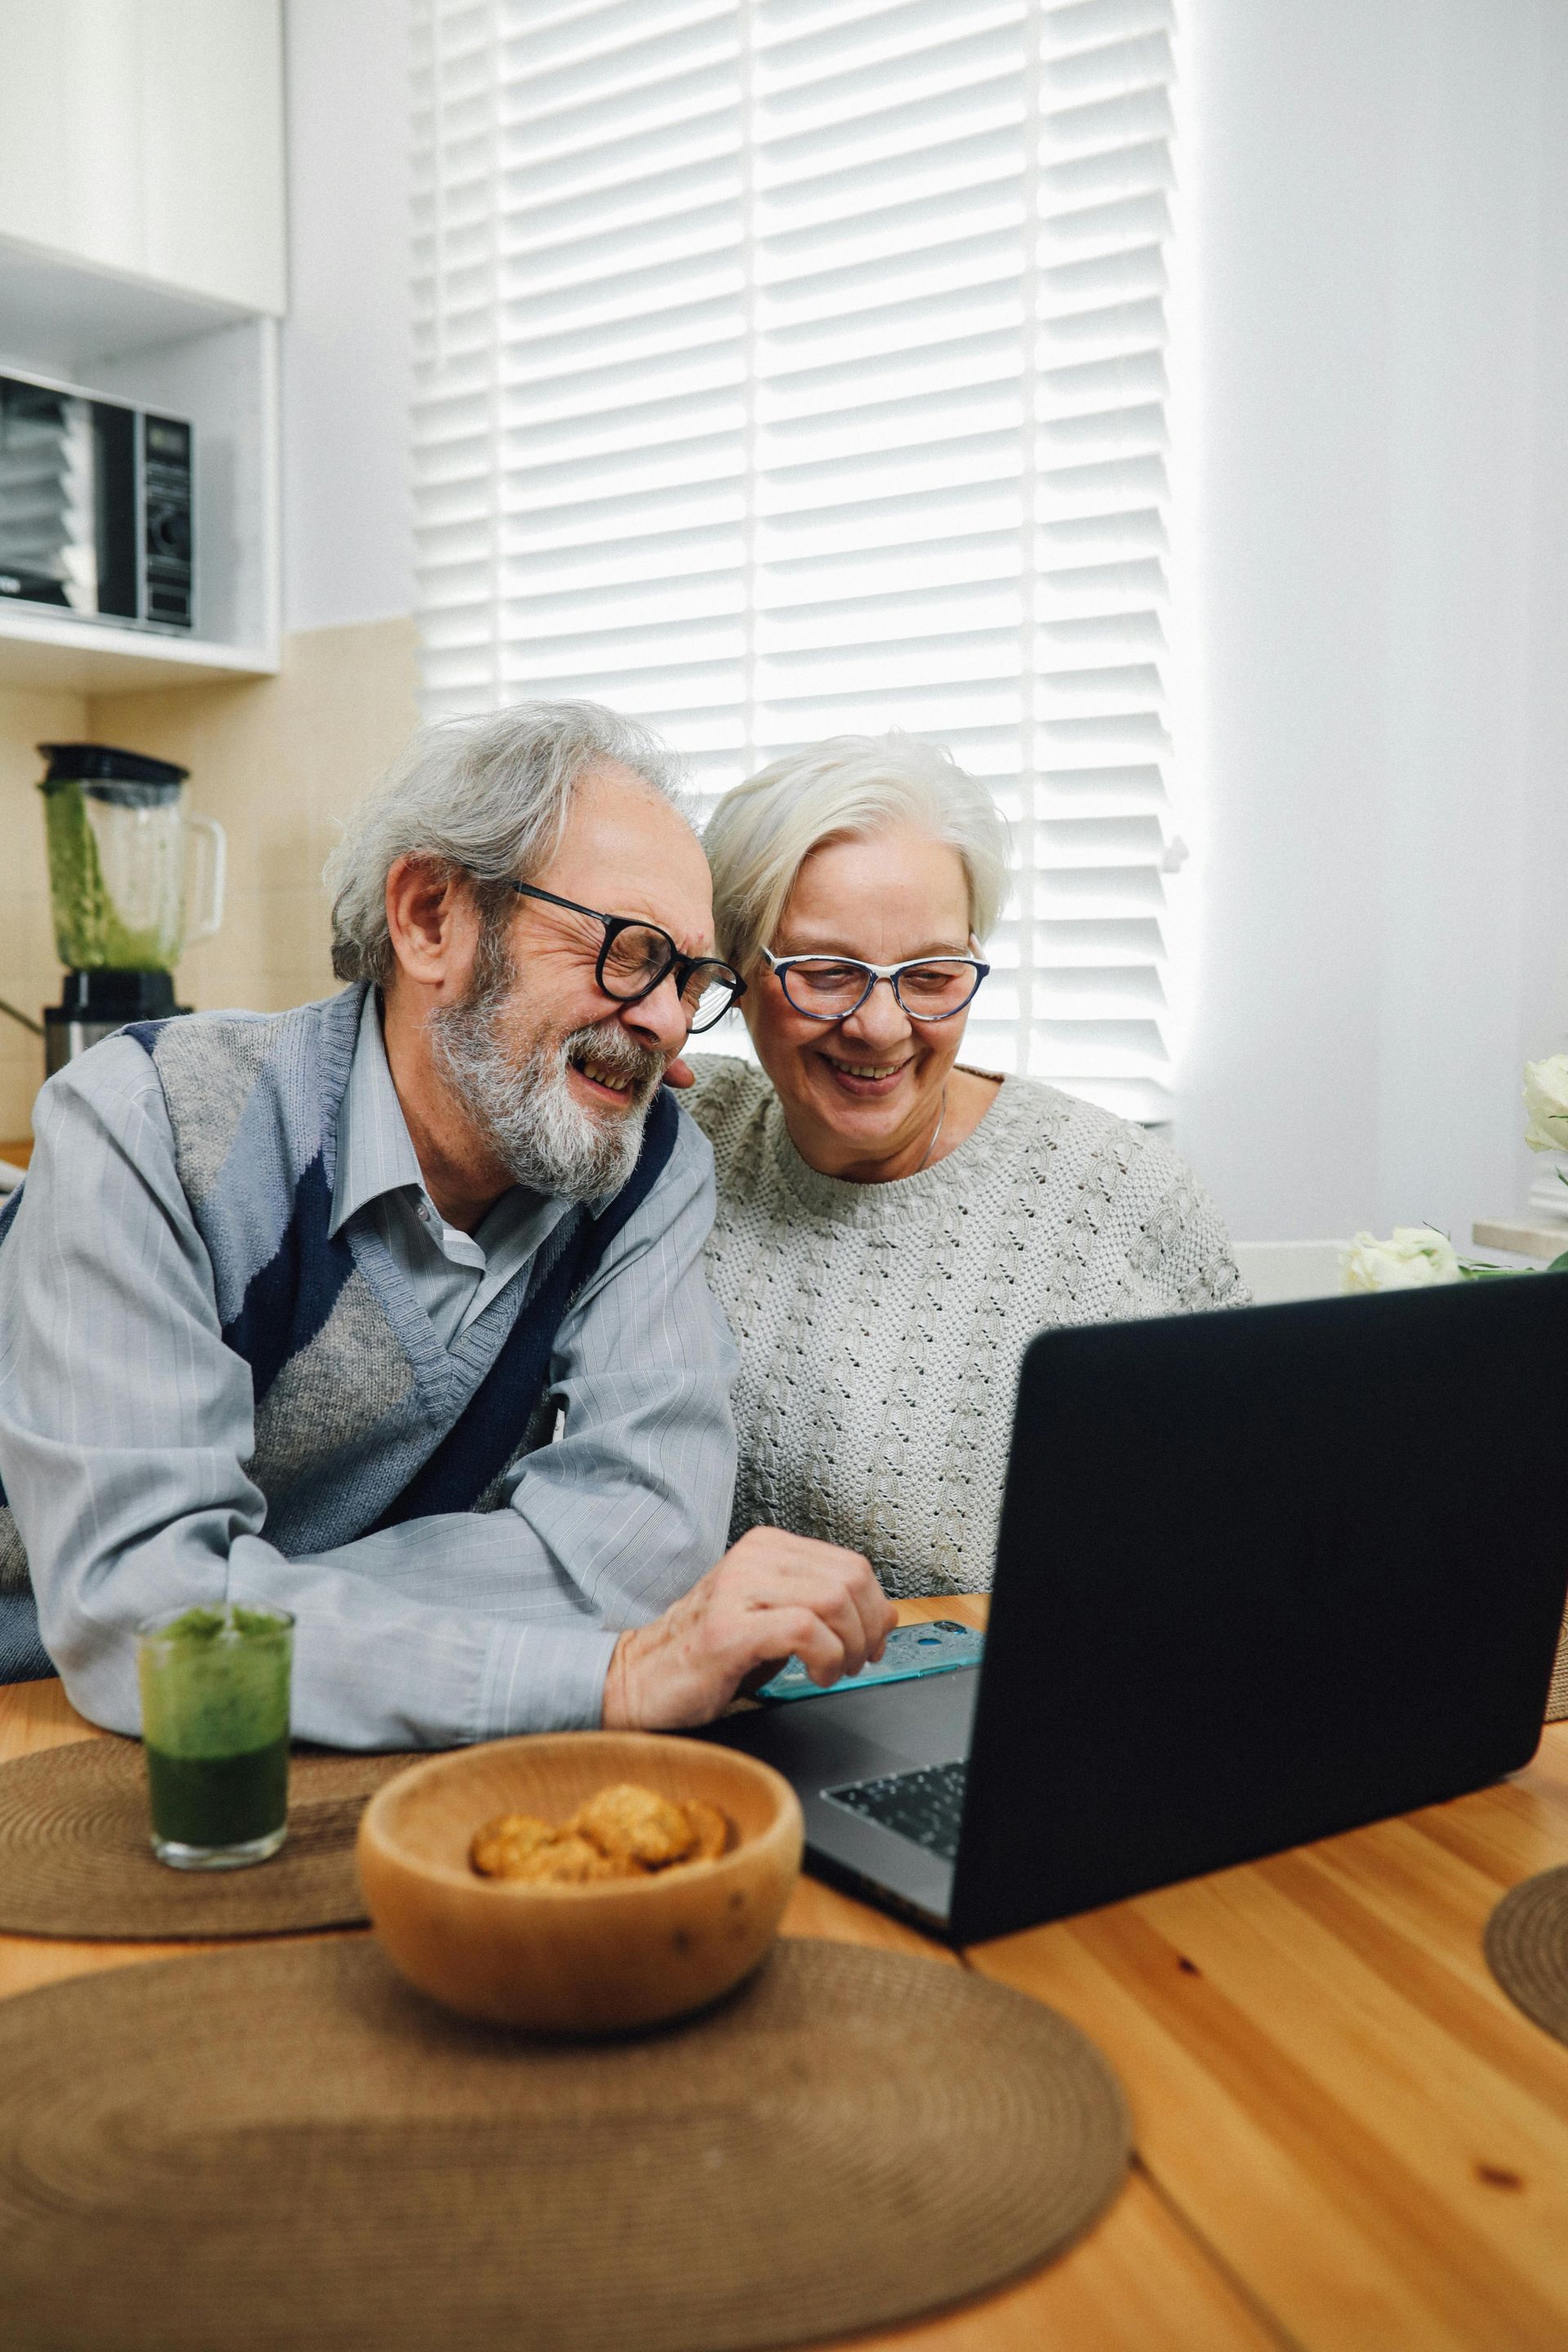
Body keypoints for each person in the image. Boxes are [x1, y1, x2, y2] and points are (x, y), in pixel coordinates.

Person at [0, 703, 893, 1740]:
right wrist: (594, 1675)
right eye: (629, 950)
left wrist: (244, 1601)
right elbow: (138, 1624)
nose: (662, 1019)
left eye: (690, 980)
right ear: (432, 919)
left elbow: (647, 1543)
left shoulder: (644, 1161)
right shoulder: (149, 1118)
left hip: (326, 1733)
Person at [681, 733, 1247, 1596]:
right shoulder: (676, 1135)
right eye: (827, 973)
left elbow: (1245, 1522)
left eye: (932, 974)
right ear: (735, 972)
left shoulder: (1119, 1196)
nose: (880, 1026)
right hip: (704, 1696)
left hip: (1004, 1695)